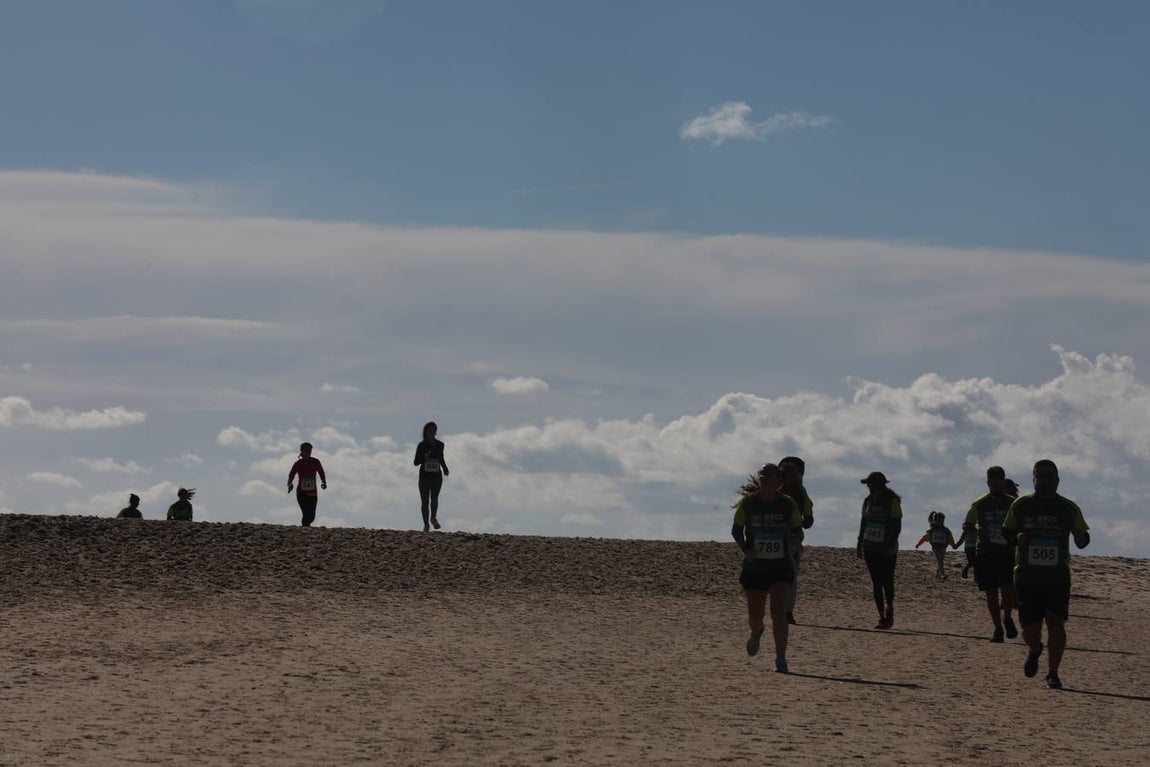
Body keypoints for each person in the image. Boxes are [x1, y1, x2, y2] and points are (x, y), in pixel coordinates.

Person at [1002, 460, 1089, 690]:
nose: (1046, 480)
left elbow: (1083, 537)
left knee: (1055, 622)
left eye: (1050, 476)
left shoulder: (1068, 508)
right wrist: (1017, 538)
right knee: (1030, 631)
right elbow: (1006, 532)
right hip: (1027, 576)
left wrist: (1081, 538)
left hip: (1057, 576)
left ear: (1058, 480)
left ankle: (1053, 673)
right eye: (1040, 476)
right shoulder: (1021, 505)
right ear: (1033, 479)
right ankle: (1035, 649)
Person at [732, 463, 803, 673]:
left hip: (780, 566)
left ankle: (781, 659)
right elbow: (736, 530)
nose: (763, 478)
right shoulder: (748, 503)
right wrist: (746, 548)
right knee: (755, 615)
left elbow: (798, 530)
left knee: (778, 612)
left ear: (777, 482)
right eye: (761, 475)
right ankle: (757, 632)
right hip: (755, 567)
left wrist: (792, 543)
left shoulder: (787, 504)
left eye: (768, 476)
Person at [965, 466, 1020, 643]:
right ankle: (997, 629)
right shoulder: (980, 503)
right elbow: (968, 523)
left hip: (1006, 552)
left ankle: (1007, 616)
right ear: (988, 482)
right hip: (986, 553)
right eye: (993, 481)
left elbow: (1021, 525)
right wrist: (972, 530)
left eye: (999, 481)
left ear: (1003, 481)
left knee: (1007, 588)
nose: (996, 484)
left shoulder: (1013, 503)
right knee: (991, 593)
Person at [857, 471, 902, 629]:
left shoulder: (892, 500)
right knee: (876, 582)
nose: (868, 487)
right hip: (870, 546)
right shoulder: (867, 501)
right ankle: (882, 617)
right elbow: (864, 522)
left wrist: (889, 544)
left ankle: (889, 608)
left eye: (870, 484)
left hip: (887, 547)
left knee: (887, 580)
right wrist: (859, 543)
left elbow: (897, 525)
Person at [778, 456, 814, 625]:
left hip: (789, 538)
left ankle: (785, 610)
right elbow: (808, 521)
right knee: (789, 575)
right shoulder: (800, 491)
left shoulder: (771, 489)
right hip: (791, 538)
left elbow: (808, 519)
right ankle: (786, 610)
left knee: (786, 575)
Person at [414, 421, 449, 532]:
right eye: (429, 430)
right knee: (425, 501)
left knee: (434, 499)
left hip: (436, 476)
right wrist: (424, 457)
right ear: (426, 431)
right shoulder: (422, 445)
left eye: (433, 429)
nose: (431, 432)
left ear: (436, 431)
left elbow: (441, 458)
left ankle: (433, 518)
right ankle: (426, 525)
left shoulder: (440, 445)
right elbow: (415, 462)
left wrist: (445, 468)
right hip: (424, 477)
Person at [287, 442, 327, 527]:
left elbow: (321, 472)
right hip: (301, 492)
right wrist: (289, 484)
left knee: (312, 516)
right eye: (306, 451)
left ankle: (305, 529)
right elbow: (291, 474)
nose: (308, 453)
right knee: (306, 513)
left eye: (309, 451)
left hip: (313, 493)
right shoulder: (298, 463)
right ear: (301, 451)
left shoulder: (315, 462)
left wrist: (324, 482)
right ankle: (305, 530)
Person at [915, 511, 958, 580]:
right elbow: (924, 538)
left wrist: (953, 545)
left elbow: (950, 539)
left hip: (943, 547)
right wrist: (918, 544)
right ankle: (943, 574)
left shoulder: (946, 530)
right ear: (935, 520)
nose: (941, 522)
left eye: (942, 520)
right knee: (940, 559)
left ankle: (938, 575)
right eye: (939, 520)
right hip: (936, 547)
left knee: (940, 560)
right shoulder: (931, 530)